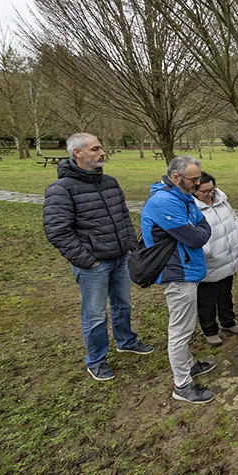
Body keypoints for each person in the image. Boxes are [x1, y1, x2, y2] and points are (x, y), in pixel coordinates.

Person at [43, 133, 153, 382]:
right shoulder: (61, 190)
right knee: (95, 314)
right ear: (77, 153)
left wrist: (129, 246)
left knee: (123, 303)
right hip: (94, 265)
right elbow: (57, 231)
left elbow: (123, 216)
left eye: (101, 148)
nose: (102, 153)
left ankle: (126, 340)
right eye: (96, 149)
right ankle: (96, 360)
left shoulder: (110, 182)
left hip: (120, 258)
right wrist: (87, 260)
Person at [141, 155, 216, 404]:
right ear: (176, 178)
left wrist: (197, 230)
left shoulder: (181, 197)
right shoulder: (164, 202)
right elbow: (196, 237)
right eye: (194, 180)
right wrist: (197, 231)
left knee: (185, 326)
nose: (198, 183)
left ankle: (189, 365)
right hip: (178, 273)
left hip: (187, 268)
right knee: (180, 331)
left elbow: (203, 225)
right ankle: (182, 385)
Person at [193, 172, 238, 346]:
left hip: (228, 258)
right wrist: (207, 252)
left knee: (225, 294)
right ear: (194, 191)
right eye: (205, 191)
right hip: (209, 262)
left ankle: (228, 322)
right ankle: (210, 330)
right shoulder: (190, 208)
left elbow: (234, 218)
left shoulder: (222, 200)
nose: (209, 194)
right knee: (207, 299)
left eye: (212, 190)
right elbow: (192, 235)